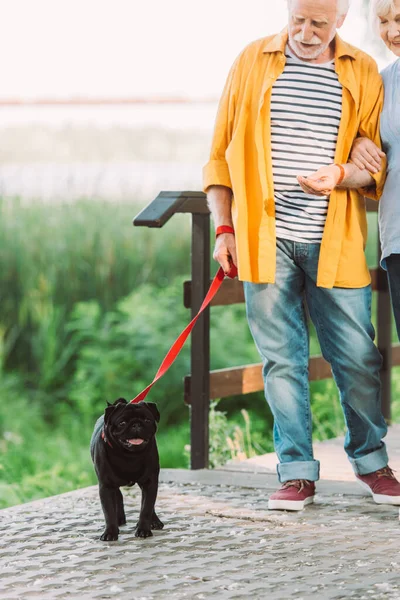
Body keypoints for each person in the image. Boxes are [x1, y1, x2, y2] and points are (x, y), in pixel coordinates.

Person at [203, 0, 400, 511]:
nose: (306, 33)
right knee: (281, 362)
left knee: (357, 357)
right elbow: (220, 155)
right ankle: (295, 473)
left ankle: (373, 462)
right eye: (298, 20)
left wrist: (342, 172)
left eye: (318, 22)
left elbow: (372, 175)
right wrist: (223, 228)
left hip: (336, 241)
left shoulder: (362, 73)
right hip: (264, 241)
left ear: (340, 19)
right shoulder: (252, 60)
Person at [350, 0, 400, 341]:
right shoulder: (380, 86)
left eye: (399, 19)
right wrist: (355, 142)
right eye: (383, 21)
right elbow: (362, 145)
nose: (392, 31)